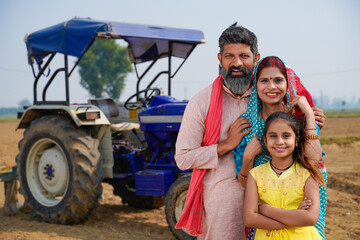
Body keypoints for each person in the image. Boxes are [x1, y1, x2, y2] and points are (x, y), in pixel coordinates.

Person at [174, 26, 326, 240]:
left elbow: (298, 136)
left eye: (244, 56)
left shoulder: (268, 92)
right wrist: (227, 144)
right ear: (220, 58)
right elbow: (183, 157)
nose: (237, 63)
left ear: (256, 58)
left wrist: (311, 119)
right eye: (230, 56)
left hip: (280, 197)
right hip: (225, 204)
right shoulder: (202, 102)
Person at [233, 56, 327, 239]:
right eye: (264, 81)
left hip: (301, 207)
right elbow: (245, 182)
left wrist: (308, 113)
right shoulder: (247, 124)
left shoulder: (299, 118)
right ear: (255, 85)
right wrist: (247, 158)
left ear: (287, 84)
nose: (272, 87)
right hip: (264, 218)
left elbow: (314, 162)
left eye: (278, 80)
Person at [243, 111, 325, 239]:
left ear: (296, 140)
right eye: (273, 136)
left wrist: (266, 210)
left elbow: (311, 218)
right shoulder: (255, 174)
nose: (279, 141)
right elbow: (249, 218)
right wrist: (295, 217)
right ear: (265, 140)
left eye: (286, 136)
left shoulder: (307, 173)